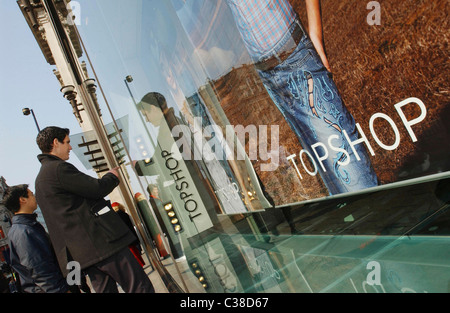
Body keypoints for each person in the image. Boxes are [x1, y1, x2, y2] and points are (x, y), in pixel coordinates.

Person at [225, 0, 378, 195]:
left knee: (343, 159)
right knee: (327, 168)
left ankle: (381, 213)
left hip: (294, 53)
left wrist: (315, 34)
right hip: (267, 71)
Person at [34, 126, 154, 293]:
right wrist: (112, 176)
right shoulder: (58, 169)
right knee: (140, 287)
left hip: (85, 256)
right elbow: (96, 188)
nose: (70, 147)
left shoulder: (40, 181)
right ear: (55, 143)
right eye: (67, 142)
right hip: (103, 245)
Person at [2, 184, 69, 293]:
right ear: (23, 200)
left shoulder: (26, 227)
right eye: (31, 195)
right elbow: (39, 268)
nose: (35, 197)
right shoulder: (23, 231)